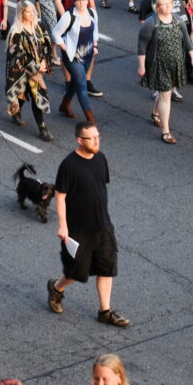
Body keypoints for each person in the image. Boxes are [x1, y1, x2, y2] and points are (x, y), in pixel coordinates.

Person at [46, 120, 129, 328]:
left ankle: (105, 311)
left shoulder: (100, 158)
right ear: (79, 140)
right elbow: (60, 196)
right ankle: (56, 288)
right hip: (78, 230)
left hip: (102, 226)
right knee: (76, 272)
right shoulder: (69, 165)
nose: (96, 141)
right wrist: (63, 225)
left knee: (106, 268)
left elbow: (99, 188)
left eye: (97, 136)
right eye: (91, 138)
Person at [137, 0, 193, 144]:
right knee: (166, 96)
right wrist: (141, 66)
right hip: (159, 64)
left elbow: (187, 40)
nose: (167, 6)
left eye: (169, 4)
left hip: (176, 63)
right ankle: (166, 132)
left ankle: (155, 113)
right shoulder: (151, 23)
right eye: (163, 4)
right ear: (157, 8)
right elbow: (142, 46)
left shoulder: (178, 20)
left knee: (167, 91)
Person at [6, 1, 53, 140]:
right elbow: (17, 55)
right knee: (29, 94)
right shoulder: (16, 32)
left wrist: (44, 61)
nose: (31, 14)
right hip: (21, 71)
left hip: (38, 70)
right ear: (21, 13)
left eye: (32, 11)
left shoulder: (39, 26)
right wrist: (35, 67)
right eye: (27, 12)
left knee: (30, 94)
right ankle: (41, 127)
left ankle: (23, 115)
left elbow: (47, 45)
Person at [54, 0, 99, 123]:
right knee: (82, 84)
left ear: (87, 1)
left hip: (88, 55)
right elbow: (56, 33)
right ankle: (90, 118)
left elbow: (95, 31)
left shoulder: (92, 13)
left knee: (76, 81)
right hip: (72, 57)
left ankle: (64, 105)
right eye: (78, 0)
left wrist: (95, 47)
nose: (81, 3)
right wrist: (65, 48)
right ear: (74, 2)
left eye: (83, 0)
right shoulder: (68, 16)